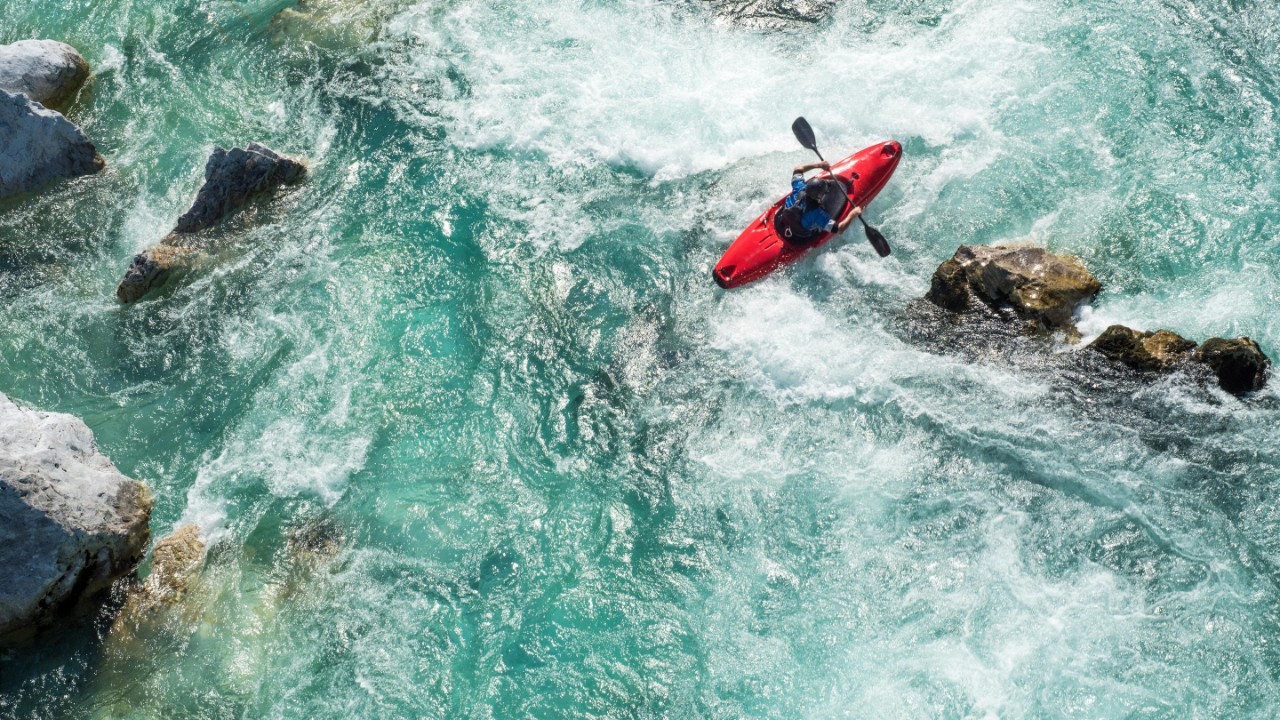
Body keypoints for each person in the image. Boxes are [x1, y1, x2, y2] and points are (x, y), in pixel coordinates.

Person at [775, 161, 862, 243]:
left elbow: (798, 168)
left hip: (781, 222)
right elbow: (839, 229)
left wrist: (818, 165)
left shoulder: (799, 187)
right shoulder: (818, 215)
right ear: (819, 196)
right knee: (817, 227)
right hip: (799, 236)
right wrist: (853, 214)